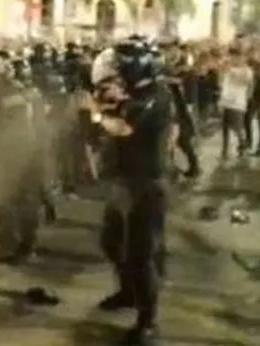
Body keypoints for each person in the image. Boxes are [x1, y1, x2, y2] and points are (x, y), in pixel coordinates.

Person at [81, 38, 172, 346]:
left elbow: (123, 127)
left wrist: (97, 113)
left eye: (119, 71)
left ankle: (148, 321)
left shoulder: (156, 95)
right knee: (111, 242)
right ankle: (128, 292)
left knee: (140, 255)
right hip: (124, 181)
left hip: (147, 184)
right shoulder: (135, 94)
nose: (115, 78)